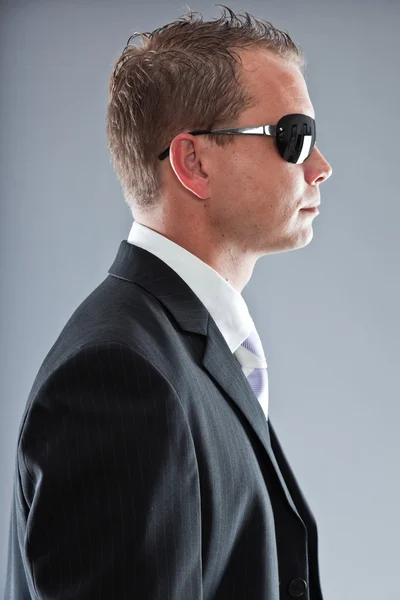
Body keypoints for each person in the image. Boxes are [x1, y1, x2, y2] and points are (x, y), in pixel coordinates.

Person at [4, 5, 332, 599]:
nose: (320, 167)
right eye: (294, 137)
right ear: (194, 162)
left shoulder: (174, 349)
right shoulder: (118, 376)